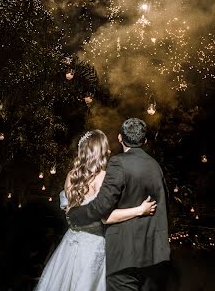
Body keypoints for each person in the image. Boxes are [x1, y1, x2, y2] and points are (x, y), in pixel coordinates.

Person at [35, 129, 156, 291]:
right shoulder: (103, 177)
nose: (109, 151)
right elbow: (107, 218)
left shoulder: (72, 176)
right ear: (101, 151)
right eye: (106, 148)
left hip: (71, 244)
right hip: (93, 246)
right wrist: (140, 210)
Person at [67, 118, 171, 291]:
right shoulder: (155, 166)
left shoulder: (118, 163)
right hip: (152, 254)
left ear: (120, 138)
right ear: (145, 141)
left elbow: (101, 207)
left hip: (124, 255)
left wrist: (74, 215)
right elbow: (165, 205)